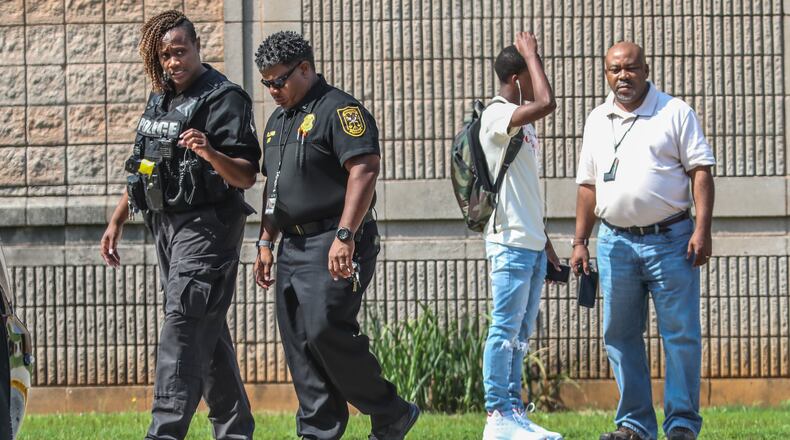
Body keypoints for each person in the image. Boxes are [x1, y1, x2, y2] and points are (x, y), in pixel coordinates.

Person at [99, 10, 260, 440]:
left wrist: (210, 153)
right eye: (165, 55)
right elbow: (146, 166)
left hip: (208, 227)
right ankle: (235, 430)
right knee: (205, 331)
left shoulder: (225, 98)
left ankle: (163, 432)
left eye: (180, 51)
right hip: (165, 225)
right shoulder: (162, 98)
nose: (173, 62)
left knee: (182, 326)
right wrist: (117, 218)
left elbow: (245, 175)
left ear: (197, 46)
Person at [252, 31, 419, 440]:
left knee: (326, 328)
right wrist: (265, 241)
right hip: (291, 244)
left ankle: (389, 409)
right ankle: (318, 431)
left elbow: (364, 169)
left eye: (279, 80)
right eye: (266, 83)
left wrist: (345, 235)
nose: (273, 90)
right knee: (300, 343)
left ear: (305, 69)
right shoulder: (278, 122)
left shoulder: (339, 109)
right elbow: (275, 188)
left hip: (334, 240)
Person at [570, 41, 715, 440]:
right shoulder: (597, 119)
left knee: (680, 333)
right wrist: (580, 241)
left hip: (672, 240)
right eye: (615, 70)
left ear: (646, 69)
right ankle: (634, 425)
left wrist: (702, 229)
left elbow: (700, 172)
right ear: (606, 74)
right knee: (618, 333)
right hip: (615, 242)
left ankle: (682, 424)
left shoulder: (674, 112)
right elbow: (587, 185)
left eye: (631, 68)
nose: (623, 76)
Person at [479, 32, 563, 440]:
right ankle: (497, 415)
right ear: (516, 78)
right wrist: (530, 53)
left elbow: (525, 189)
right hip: (508, 242)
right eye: (532, 71)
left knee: (520, 335)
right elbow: (547, 104)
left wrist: (545, 243)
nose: (539, 76)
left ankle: (513, 413)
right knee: (503, 330)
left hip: (529, 242)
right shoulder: (495, 116)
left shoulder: (522, 128)